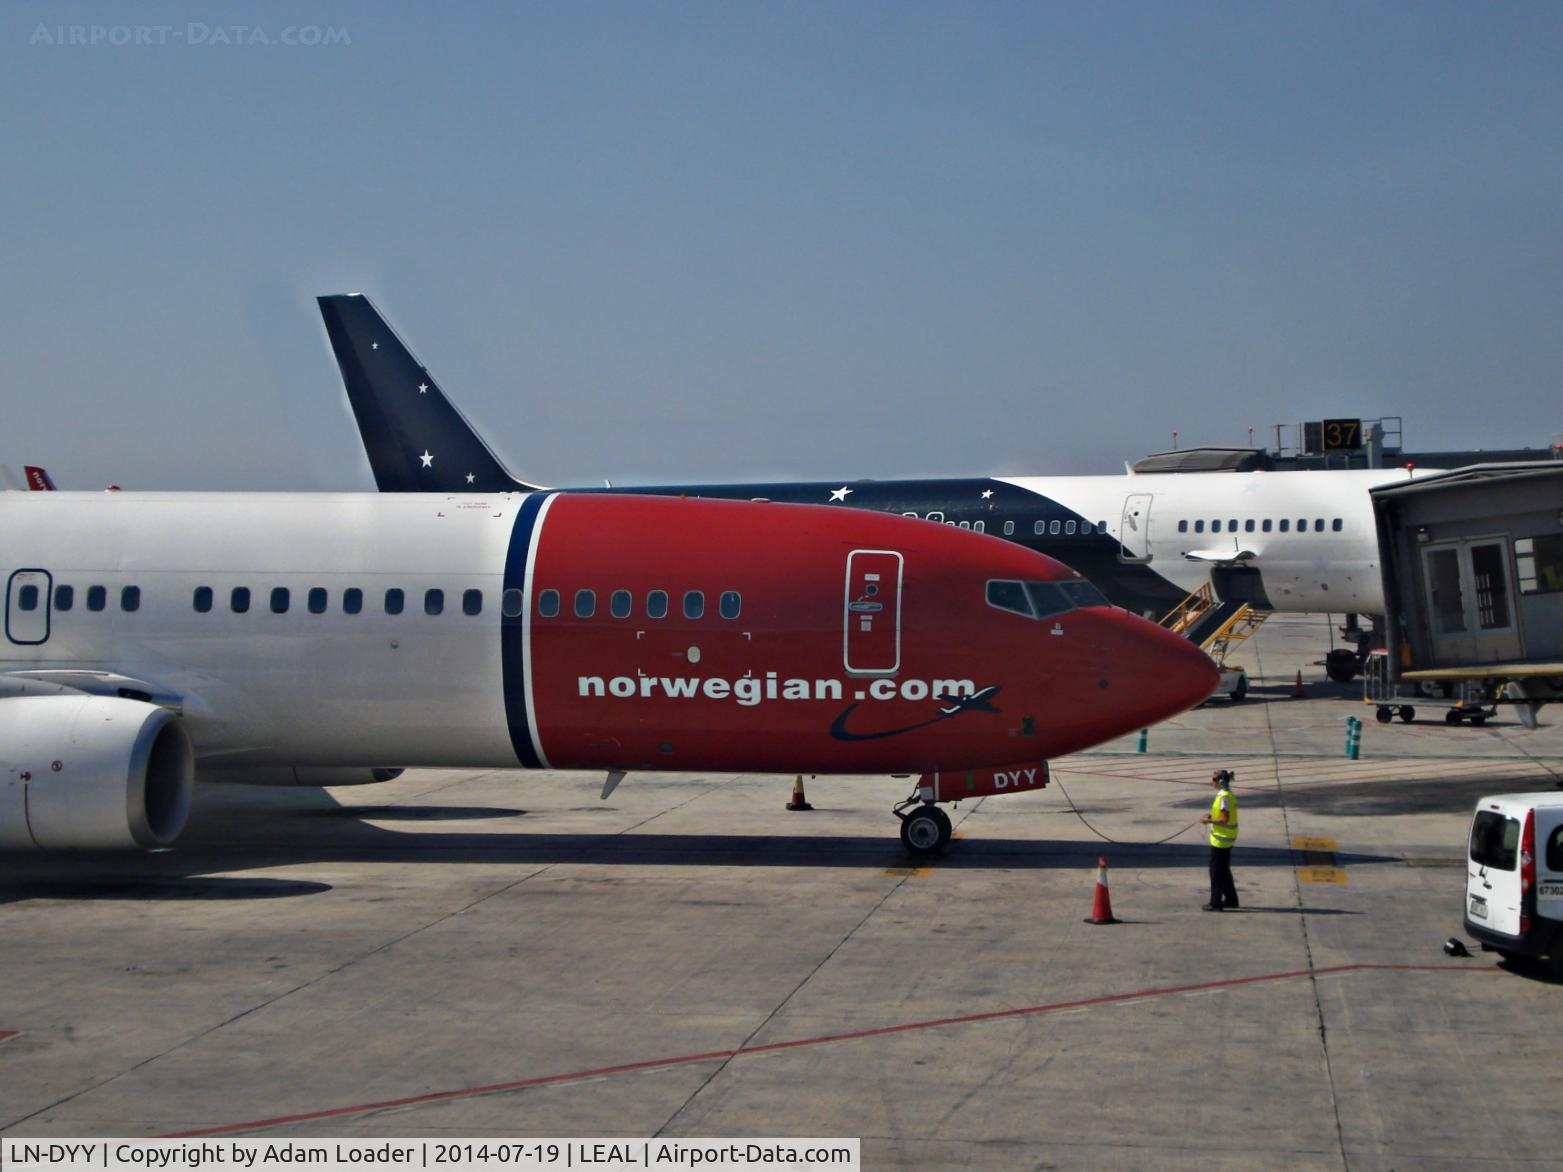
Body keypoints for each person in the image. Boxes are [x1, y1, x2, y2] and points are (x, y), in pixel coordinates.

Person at [1201, 768, 1239, 910]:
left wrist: (1208, 821)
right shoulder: (1226, 795)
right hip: (1225, 838)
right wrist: (1211, 817)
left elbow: (1224, 819)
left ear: (1221, 782)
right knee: (1223, 870)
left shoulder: (1224, 797)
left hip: (1221, 840)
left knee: (1216, 871)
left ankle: (1215, 902)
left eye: (1214, 779)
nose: (1211, 782)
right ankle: (1231, 899)